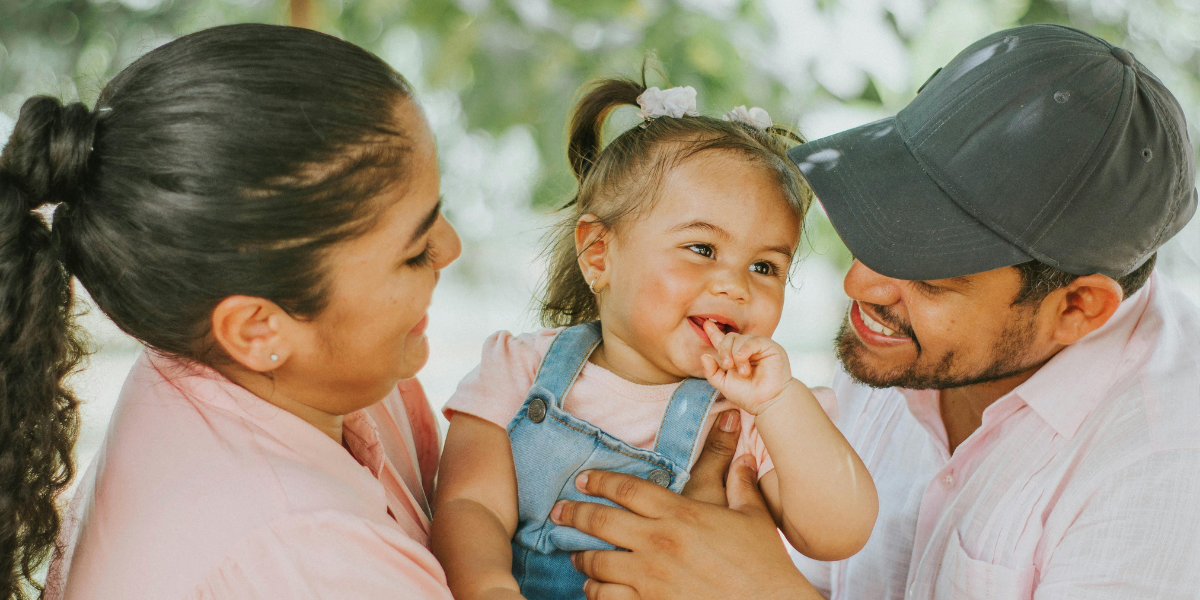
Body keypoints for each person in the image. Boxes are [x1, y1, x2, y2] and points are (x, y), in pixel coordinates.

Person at [549, 24, 1200, 600]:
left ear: (1078, 308)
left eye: (931, 271)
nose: (861, 282)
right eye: (881, 226)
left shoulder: (1164, 478)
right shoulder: (900, 351)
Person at [0, 24, 463, 599]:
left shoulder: (293, 365)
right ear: (256, 327)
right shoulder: (309, 557)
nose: (452, 247)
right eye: (415, 252)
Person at [431, 77, 877, 600]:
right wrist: (488, 588)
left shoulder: (752, 415)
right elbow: (468, 505)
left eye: (764, 265)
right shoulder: (518, 368)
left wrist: (780, 401)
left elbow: (840, 532)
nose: (734, 286)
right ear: (600, 254)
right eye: (702, 249)